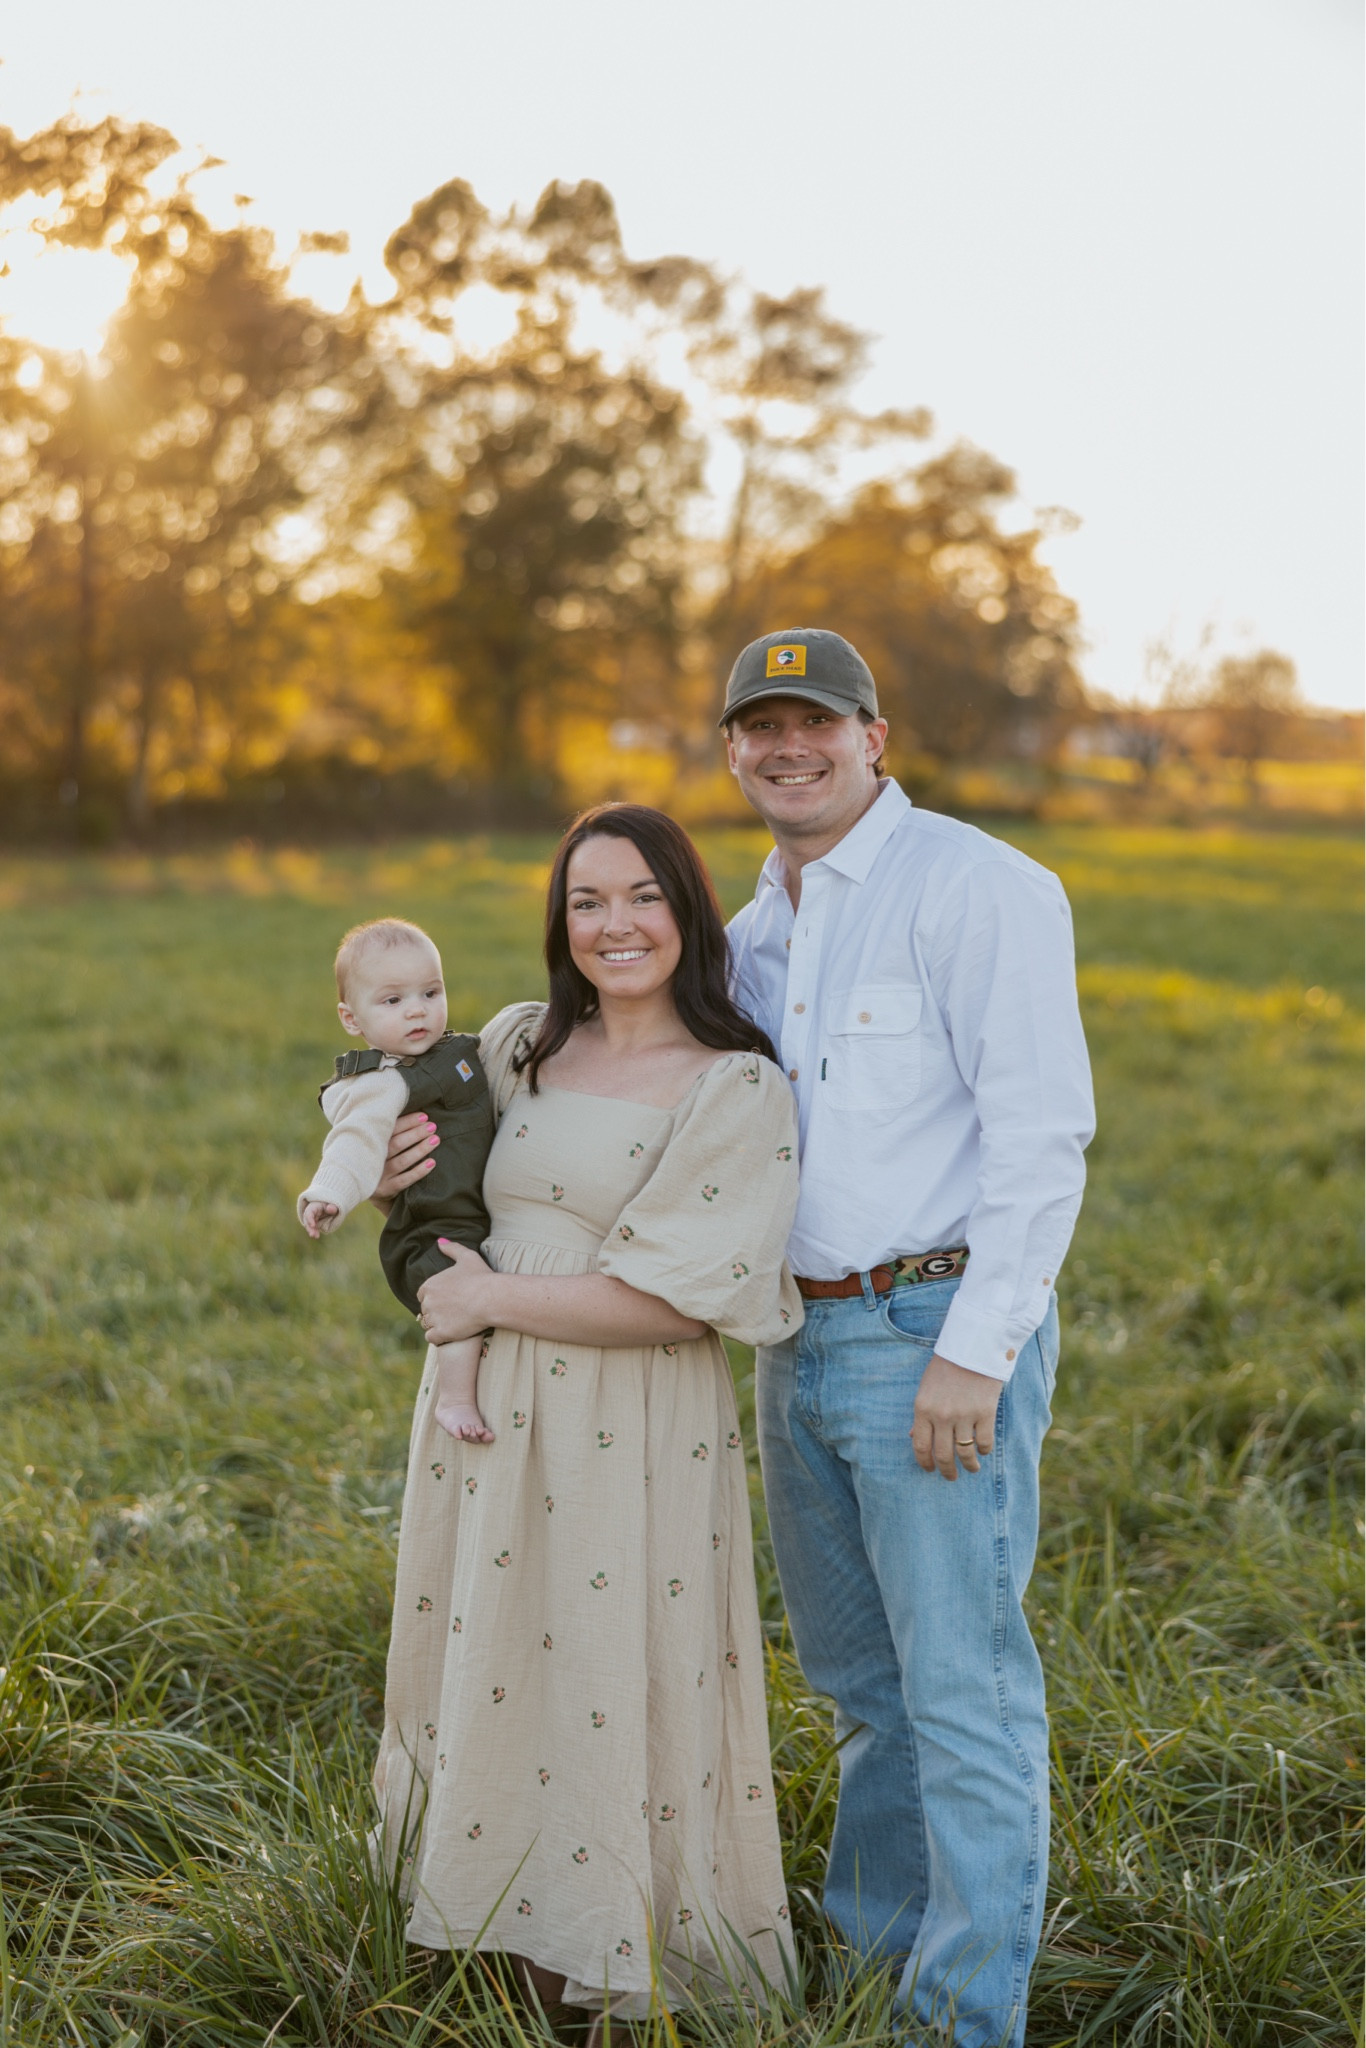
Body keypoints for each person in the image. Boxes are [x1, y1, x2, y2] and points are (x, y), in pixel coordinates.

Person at [370, 804, 801, 2041]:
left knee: (614, 1661)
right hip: (489, 1409)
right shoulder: (515, 1044)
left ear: (689, 910)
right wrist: (395, 1169)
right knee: (499, 1646)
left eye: (643, 896)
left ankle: (619, 1945)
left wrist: (492, 1292)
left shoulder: (735, 1081)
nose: (615, 925)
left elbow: (681, 1301)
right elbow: (431, 1174)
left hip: (635, 1414)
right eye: (586, 902)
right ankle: (496, 1923)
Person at [720, 628, 1095, 2048]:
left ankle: (959, 2022)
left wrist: (974, 1353)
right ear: (732, 751)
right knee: (864, 1695)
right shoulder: (750, 935)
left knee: (963, 1694)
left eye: (818, 720)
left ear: (876, 737)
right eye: (761, 725)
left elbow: (1040, 1137)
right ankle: (877, 1968)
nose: (789, 746)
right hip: (795, 1343)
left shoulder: (978, 887)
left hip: (929, 1327)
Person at [297, 917, 496, 1441]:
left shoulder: (461, 1052)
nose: (417, 1009)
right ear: (351, 1017)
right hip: (438, 1226)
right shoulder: (380, 1085)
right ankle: (455, 1400)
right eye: (392, 1001)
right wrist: (331, 1194)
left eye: (431, 991)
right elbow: (354, 1142)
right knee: (458, 1304)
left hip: (479, 1209)